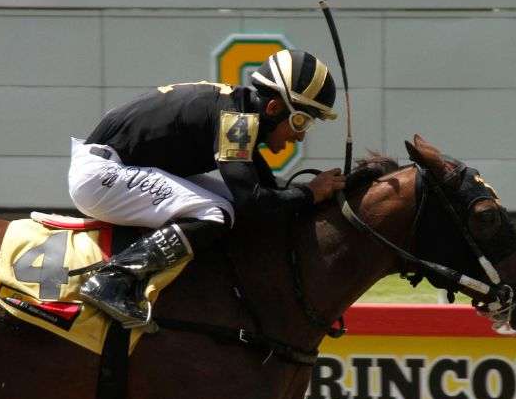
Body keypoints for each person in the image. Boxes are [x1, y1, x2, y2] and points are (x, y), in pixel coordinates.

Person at [68, 49, 348, 328]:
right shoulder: (236, 121)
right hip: (101, 176)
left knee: (230, 206)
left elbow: (266, 194)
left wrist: (317, 196)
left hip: (118, 168)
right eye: (302, 121)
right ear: (274, 108)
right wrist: (311, 192)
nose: (300, 136)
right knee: (217, 213)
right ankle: (112, 279)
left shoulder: (241, 112)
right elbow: (254, 201)